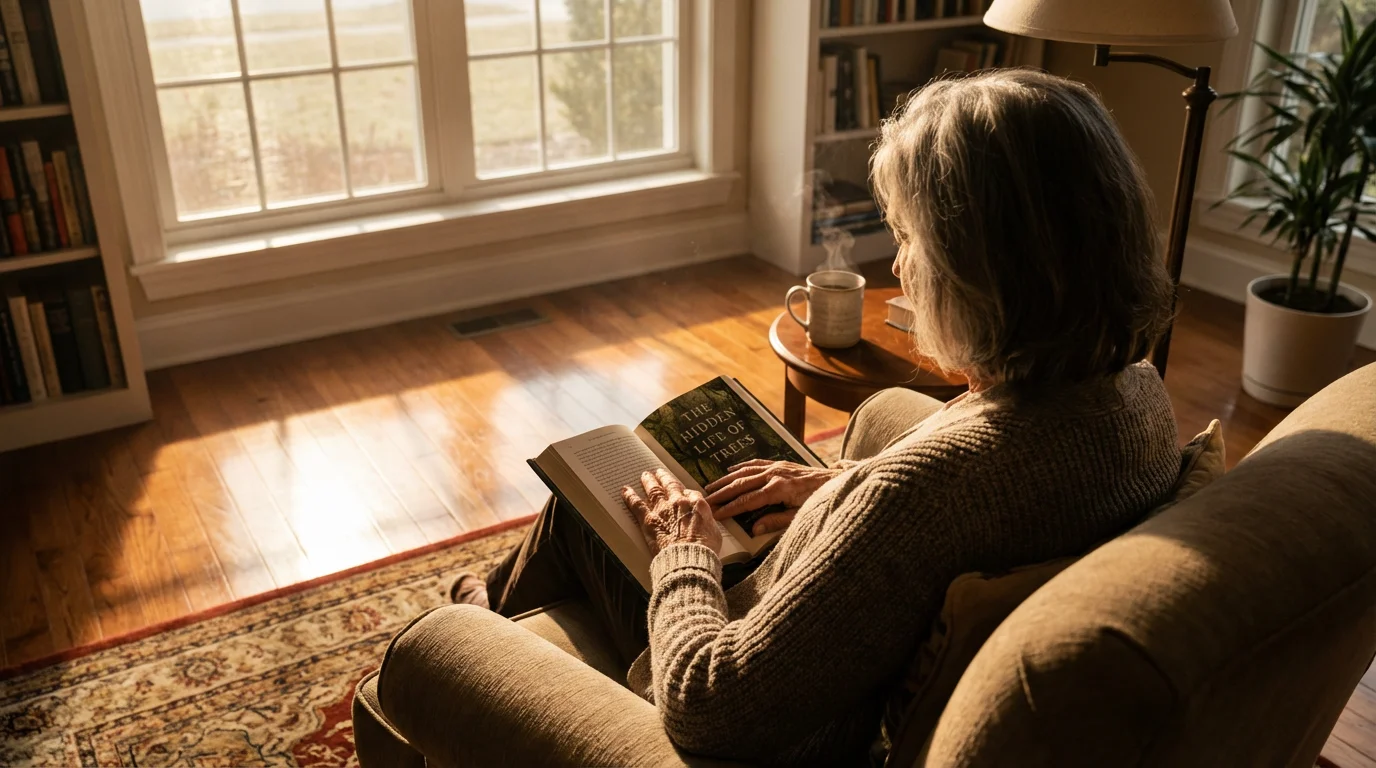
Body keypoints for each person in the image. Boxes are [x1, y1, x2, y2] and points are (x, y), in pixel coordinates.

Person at [447, 69, 1181, 764]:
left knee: (596, 505)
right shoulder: (1135, 389)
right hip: (841, 630)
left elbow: (713, 704)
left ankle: (472, 633)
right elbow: (972, 506)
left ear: (982, 271)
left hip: (790, 728)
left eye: (911, 240)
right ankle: (497, 607)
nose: (899, 268)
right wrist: (834, 487)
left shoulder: (925, 493)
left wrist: (684, 555)